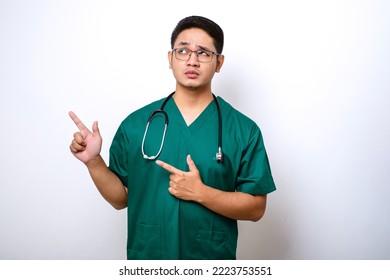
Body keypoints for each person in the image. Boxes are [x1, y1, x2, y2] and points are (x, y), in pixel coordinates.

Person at [69, 15, 276, 260]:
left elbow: (256, 208)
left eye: (203, 53)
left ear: (219, 62)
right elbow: (120, 199)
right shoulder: (136, 125)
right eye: (183, 50)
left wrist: (201, 192)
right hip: (149, 259)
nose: (192, 60)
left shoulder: (243, 130)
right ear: (170, 58)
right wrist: (94, 162)